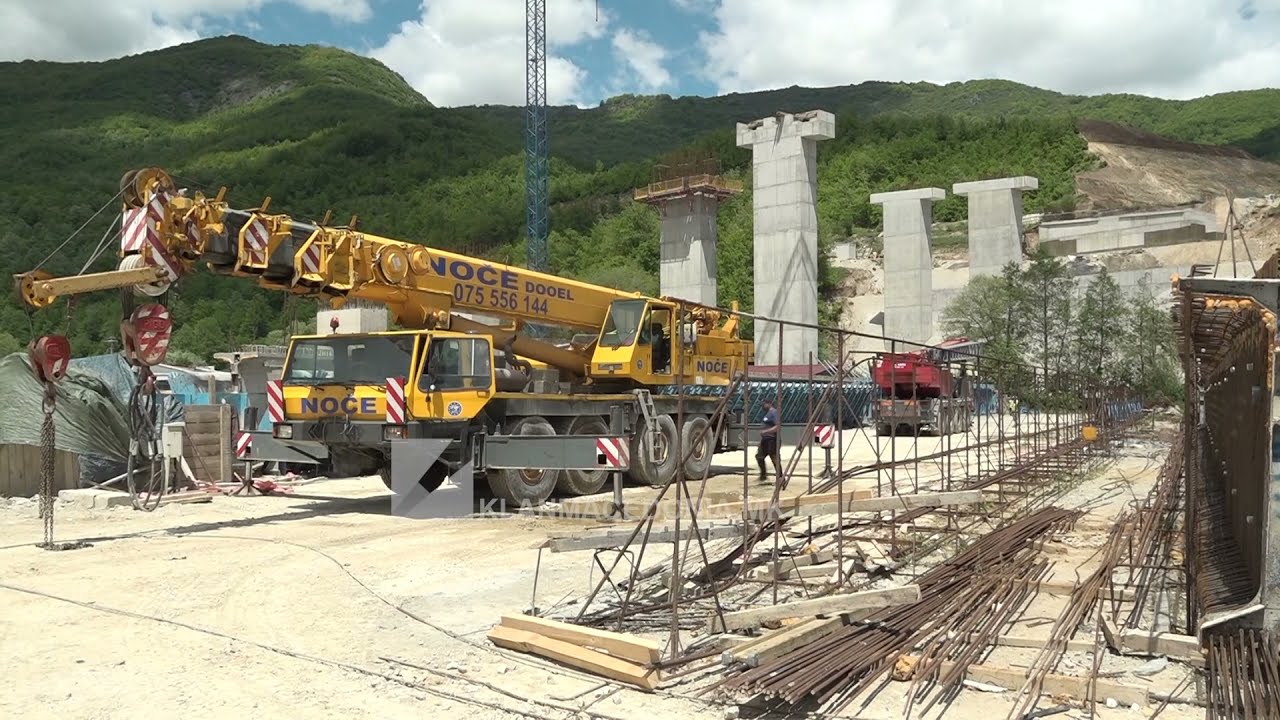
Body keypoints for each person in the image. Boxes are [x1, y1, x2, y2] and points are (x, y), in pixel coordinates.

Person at [756, 399, 781, 482]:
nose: (762, 406)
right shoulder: (767, 414)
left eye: (764, 404)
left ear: (769, 404)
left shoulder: (774, 412)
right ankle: (763, 475)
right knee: (759, 456)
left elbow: (777, 427)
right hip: (765, 440)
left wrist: (766, 431)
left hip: (772, 440)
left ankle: (780, 478)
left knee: (774, 458)